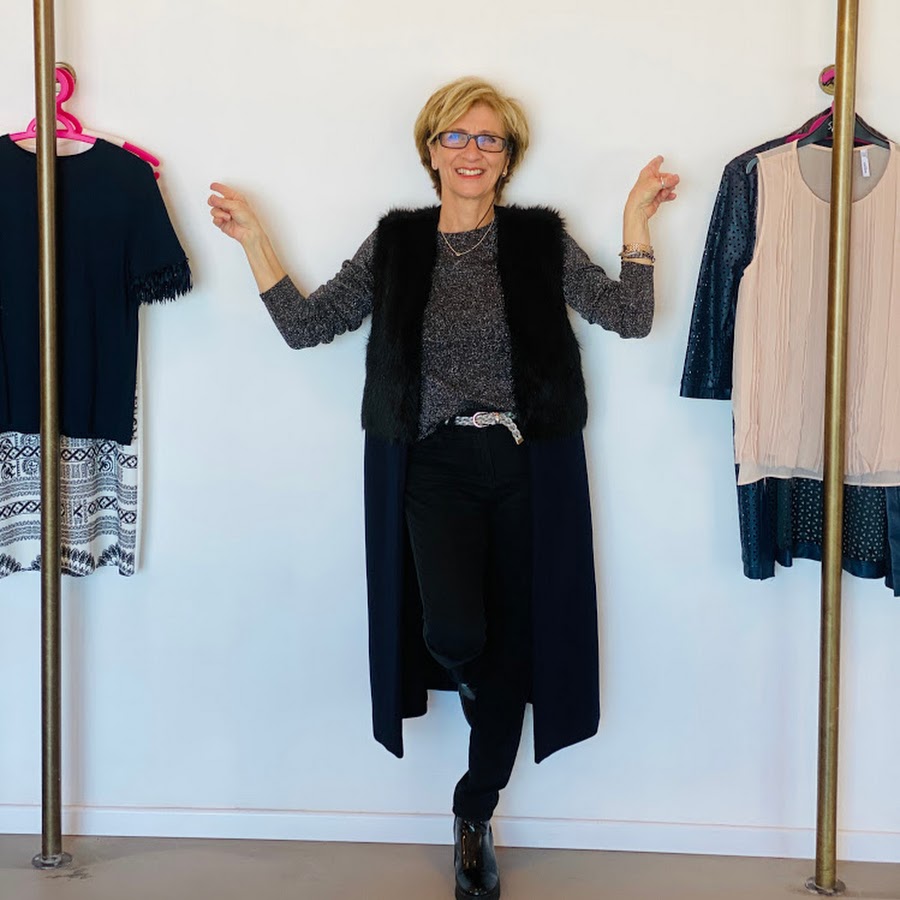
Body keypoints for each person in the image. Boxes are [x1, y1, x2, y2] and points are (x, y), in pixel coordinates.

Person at [209, 75, 678, 900]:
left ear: (508, 158)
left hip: (526, 464)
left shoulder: (537, 239)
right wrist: (255, 239)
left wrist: (637, 221)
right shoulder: (397, 243)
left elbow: (630, 317)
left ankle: (473, 813)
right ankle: (486, 694)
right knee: (458, 632)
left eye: (488, 139)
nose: (471, 151)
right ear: (431, 151)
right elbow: (307, 327)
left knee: (516, 636)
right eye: (455, 136)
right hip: (432, 466)